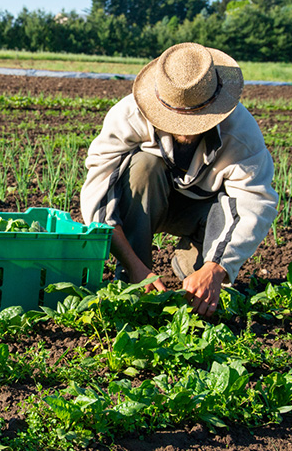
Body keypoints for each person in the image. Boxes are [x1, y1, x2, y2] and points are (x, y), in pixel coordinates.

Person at [80, 42, 278, 317]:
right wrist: (136, 268)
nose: (185, 131)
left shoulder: (241, 134)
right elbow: (98, 196)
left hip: (202, 212)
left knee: (204, 290)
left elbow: (254, 203)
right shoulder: (128, 115)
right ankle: (133, 280)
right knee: (142, 167)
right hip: (149, 201)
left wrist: (216, 269)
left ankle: (194, 261)